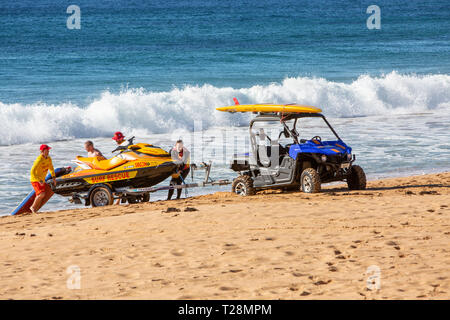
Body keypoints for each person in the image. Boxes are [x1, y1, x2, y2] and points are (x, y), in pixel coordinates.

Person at [29, 144, 57, 213]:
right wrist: (39, 180)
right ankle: (32, 207)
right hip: (35, 179)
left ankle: (35, 209)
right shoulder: (39, 160)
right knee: (41, 194)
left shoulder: (48, 159)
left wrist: (54, 178)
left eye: (48, 150)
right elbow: (32, 171)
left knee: (41, 196)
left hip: (42, 180)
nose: (48, 152)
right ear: (42, 151)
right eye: (46, 150)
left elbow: (51, 168)